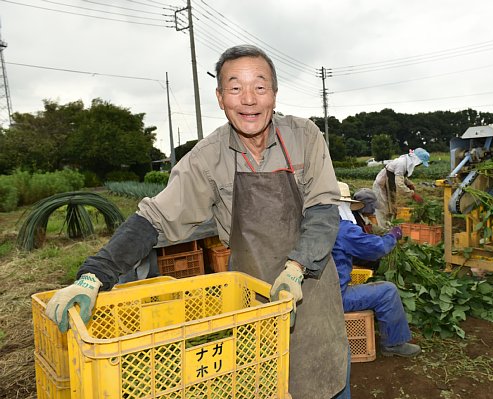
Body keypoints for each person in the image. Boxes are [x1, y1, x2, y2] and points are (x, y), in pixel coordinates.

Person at [44, 45, 349, 398]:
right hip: (251, 300)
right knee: (264, 384)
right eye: (235, 88)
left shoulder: (304, 136)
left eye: (260, 87)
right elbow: (154, 219)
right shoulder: (208, 157)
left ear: (274, 94)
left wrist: (295, 268)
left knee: (326, 379)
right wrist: (93, 274)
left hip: (308, 285)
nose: (248, 99)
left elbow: (324, 209)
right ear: (220, 98)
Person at [333, 182, 421, 358]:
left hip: (314, 296)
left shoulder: (314, 226)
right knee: (387, 291)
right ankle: (394, 344)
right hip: (335, 298)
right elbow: (376, 248)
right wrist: (392, 237)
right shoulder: (343, 229)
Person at [372, 148, 430, 226]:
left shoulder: (405, 162)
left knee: (392, 209)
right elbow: (399, 185)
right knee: (383, 210)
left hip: (389, 186)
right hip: (381, 187)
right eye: (420, 163)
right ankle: (384, 232)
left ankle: (390, 229)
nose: (419, 165)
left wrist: (409, 183)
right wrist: (412, 195)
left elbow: (400, 176)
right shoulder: (401, 163)